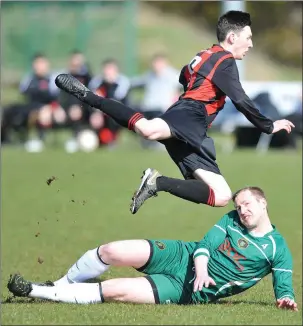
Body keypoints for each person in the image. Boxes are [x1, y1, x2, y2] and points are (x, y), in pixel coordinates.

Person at [54, 11, 295, 214]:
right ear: (232, 37)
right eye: (248, 38)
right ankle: (88, 96)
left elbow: (184, 74)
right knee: (148, 129)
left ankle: (157, 183)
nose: (251, 44)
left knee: (221, 196)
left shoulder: (205, 55)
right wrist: (268, 125)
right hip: (191, 114)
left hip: (195, 126)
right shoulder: (225, 60)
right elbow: (240, 98)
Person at [7, 186, 298, 311]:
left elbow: (284, 284)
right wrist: (200, 270)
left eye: (248, 204)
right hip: (183, 255)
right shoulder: (231, 218)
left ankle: (35, 291)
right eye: (239, 205)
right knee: (112, 250)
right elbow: (205, 247)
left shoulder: (277, 248)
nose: (242, 210)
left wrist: (285, 299)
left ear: (263, 203)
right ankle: (59, 286)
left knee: (114, 290)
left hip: (189, 290)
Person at [130, 53, 181, 149]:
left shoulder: (173, 75)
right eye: (155, 63)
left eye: (159, 63)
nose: (157, 66)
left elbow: (184, 86)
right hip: (147, 108)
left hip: (163, 108)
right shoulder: (149, 75)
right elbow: (134, 83)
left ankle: (160, 143)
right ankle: (147, 142)